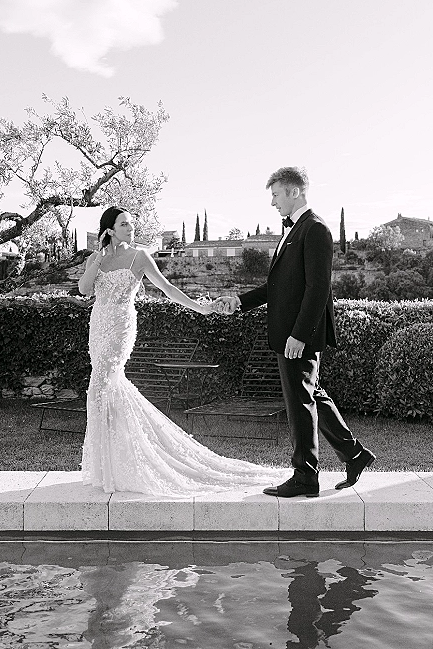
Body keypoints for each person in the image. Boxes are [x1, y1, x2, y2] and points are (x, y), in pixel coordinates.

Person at [78, 205, 286, 497]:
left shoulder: (140, 257)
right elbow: (85, 290)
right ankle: (108, 466)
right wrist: (97, 260)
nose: (131, 228)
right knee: (100, 390)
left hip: (120, 327)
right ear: (109, 229)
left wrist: (200, 308)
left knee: (103, 384)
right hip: (98, 325)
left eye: (132, 224)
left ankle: (127, 463)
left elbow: (168, 289)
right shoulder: (95, 258)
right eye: (124, 224)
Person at [220, 167, 375, 498]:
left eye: (275, 195)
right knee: (312, 394)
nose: (273, 202)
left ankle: (305, 476)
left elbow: (318, 289)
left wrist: (300, 335)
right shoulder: (294, 230)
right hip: (290, 332)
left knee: (299, 401)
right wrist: (238, 301)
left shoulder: (315, 229)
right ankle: (355, 455)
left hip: (298, 335)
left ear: (294, 192)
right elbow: (278, 287)